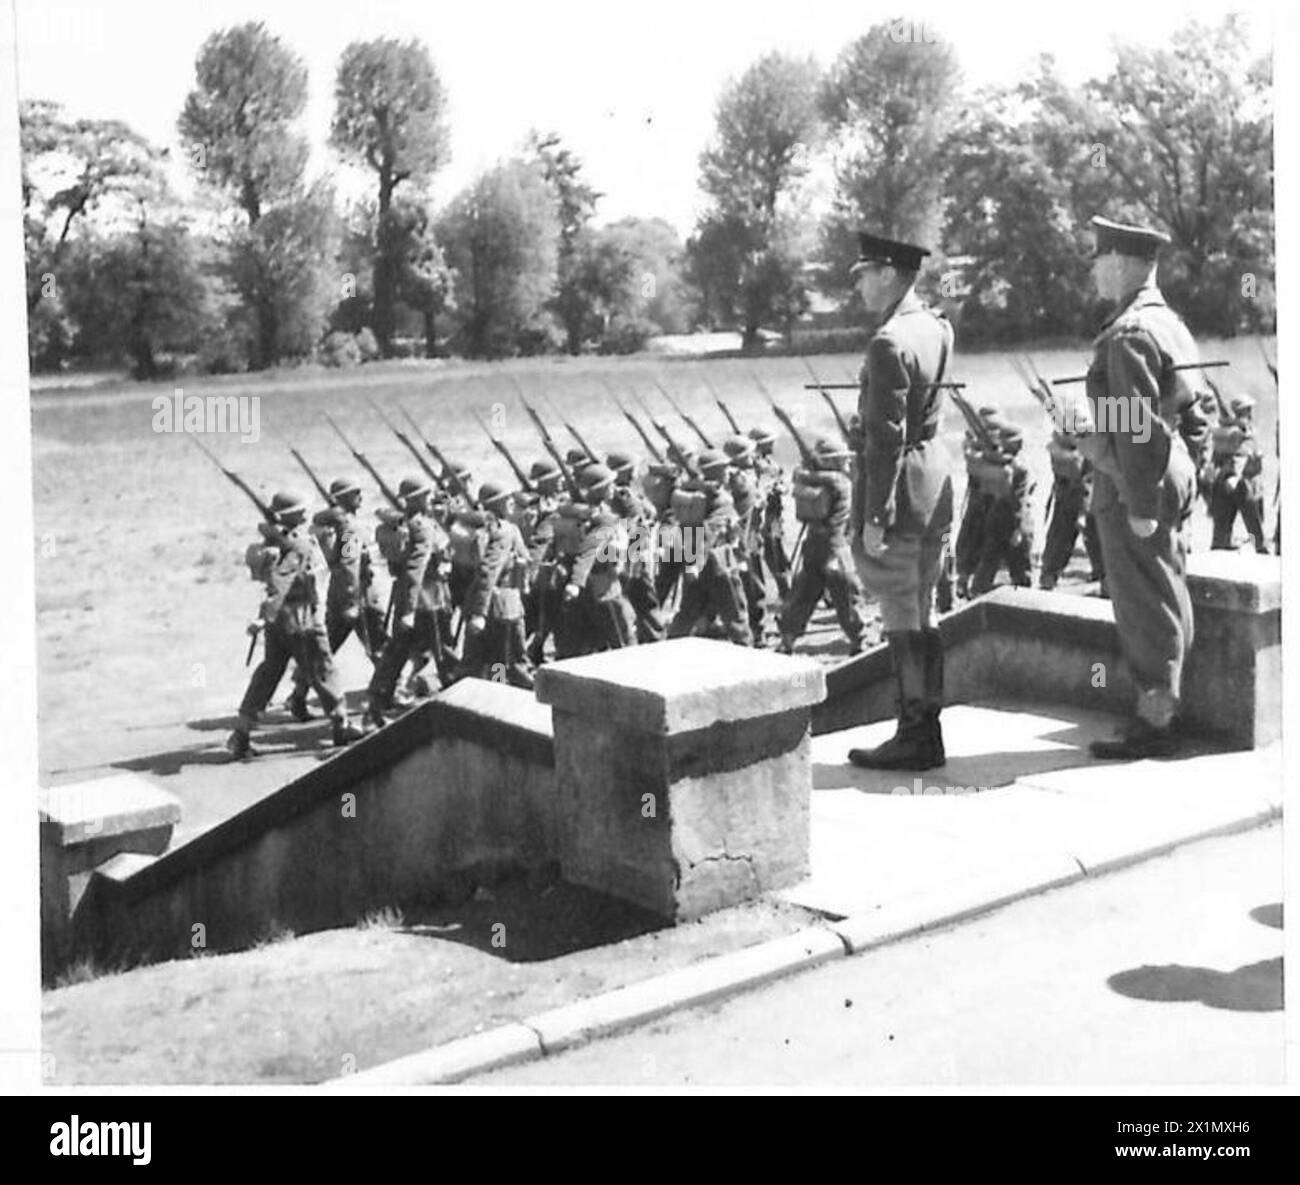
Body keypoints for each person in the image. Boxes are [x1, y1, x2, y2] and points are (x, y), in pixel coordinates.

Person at [1076, 215, 1199, 759]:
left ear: (1122, 262)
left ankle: (1156, 721)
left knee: (1144, 599)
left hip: (1136, 478)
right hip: (1168, 465)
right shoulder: (1167, 321)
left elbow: (1133, 423)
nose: (1094, 272)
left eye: (1099, 260)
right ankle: (1164, 704)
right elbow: (1193, 409)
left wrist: (1142, 502)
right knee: (1165, 586)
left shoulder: (1129, 332)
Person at [843, 231, 955, 771]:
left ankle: (915, 735)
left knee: (901, 612)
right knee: (923, 610)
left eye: (864, 273)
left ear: (888, 273)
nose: (860, 284)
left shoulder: (888, 341)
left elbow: (886, 440)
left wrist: (873, 518)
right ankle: (924, 731)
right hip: (931, 481)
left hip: (900, 493)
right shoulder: (936, 327)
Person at [228, 492, 364, 757]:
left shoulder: (288, 540)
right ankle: (341, 723)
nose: (306, 514)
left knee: (271, 671)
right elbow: (285, 579)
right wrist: (349, 598)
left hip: (284, 618)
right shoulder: (309, 542)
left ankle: (243, 731)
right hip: (306, 616)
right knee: (324, 667)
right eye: (300, 510)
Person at [286, 477, 387, 720]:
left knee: (325, 651)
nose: (360, 496)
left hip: (337, 597)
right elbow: (350, 567)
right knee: (381, 650)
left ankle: (298, 695)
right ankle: (379, 705)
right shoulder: (348, 530)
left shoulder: (330, 526)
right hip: (359, 599)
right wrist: (353, 602)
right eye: (355, 492)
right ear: (344, 499)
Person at [365, 478, 452, 728]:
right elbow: (417, 567)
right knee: (440, 651)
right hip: (427, 598)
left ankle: (382, 699)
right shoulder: (421, 526)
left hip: (404, 596)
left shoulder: (406, 524)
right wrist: (409, 609)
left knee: (401, 650)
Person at [777, 436, 868, 654]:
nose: (846, 463)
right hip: (834, 547)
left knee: (804, 594)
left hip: (814, 546)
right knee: (846, 597)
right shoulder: (840, 482)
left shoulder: (811, 480)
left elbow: (801, 475)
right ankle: (859, 637)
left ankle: (787, 638)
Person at [667, 449, 752, 646]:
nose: (728, 472)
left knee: (686, 614)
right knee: (736, 615)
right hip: (719, 564)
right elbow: (709, 534)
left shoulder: (695, 494)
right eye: (724, 468)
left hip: (696, 564)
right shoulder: (721, 500)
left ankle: (667, 648)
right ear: (718, 471)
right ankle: (748, 653)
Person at [459, 482, 535, 688]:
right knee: (500, 661)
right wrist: (480, 613)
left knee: (485, 661)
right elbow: (489, 571)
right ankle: (497, 695)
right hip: (501, 608)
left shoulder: (499, 529)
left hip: (497, 604)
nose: (512, 502)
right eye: (507, 499)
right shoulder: (504, 532)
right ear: (498, 504)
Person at [968, 423, 1035, 596]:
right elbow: (1018, 501)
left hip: (998, 519)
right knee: (1018, 567)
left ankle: (976, 592)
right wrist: (1018, 528)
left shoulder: (994, 464)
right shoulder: (1019, 468)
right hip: (1011, 522)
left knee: (991, 562)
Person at [1040, 430, 1104, 589]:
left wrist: (1083, 512)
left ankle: (1103, 576)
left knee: (1095, 541)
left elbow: (1087, 485)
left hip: (1082, 503)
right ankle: (1049, 575)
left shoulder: (1088, 456)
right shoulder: (1063, 454)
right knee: (1059, 539)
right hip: (1066, 501)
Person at [1208, 395, 1269, 553]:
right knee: (1253, 525)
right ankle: (1258, 546)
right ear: (1246, 411)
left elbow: (1216, 457)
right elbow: (1243, 454)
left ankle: (1221, 545)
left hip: (1223, 482)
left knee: (1222, 524)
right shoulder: (1243, 431)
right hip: (1244, 484)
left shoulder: (1222, 430)